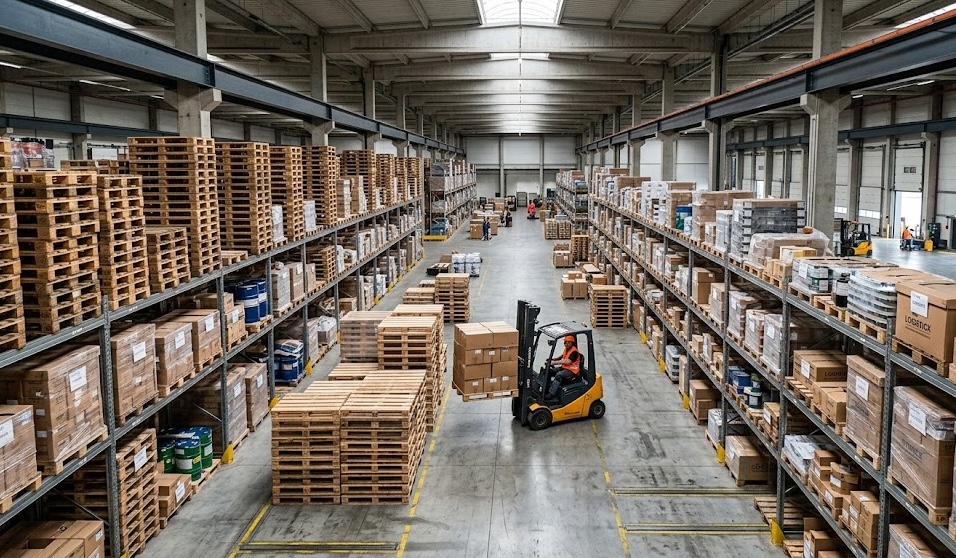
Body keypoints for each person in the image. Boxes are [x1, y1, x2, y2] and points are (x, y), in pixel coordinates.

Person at [547, 335, 581, 399]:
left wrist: (555, 362)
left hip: (572, 371)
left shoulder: (574, 352)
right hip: (565, 368)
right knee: (550, 371)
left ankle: (551, 394)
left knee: (558, 375)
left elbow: (568, 361)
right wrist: (553, 359)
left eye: (568, 342)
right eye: (565, 342)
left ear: (572, 343)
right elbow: (562, 356)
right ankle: (547, 388)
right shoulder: (567, 349)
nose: (566, 344)